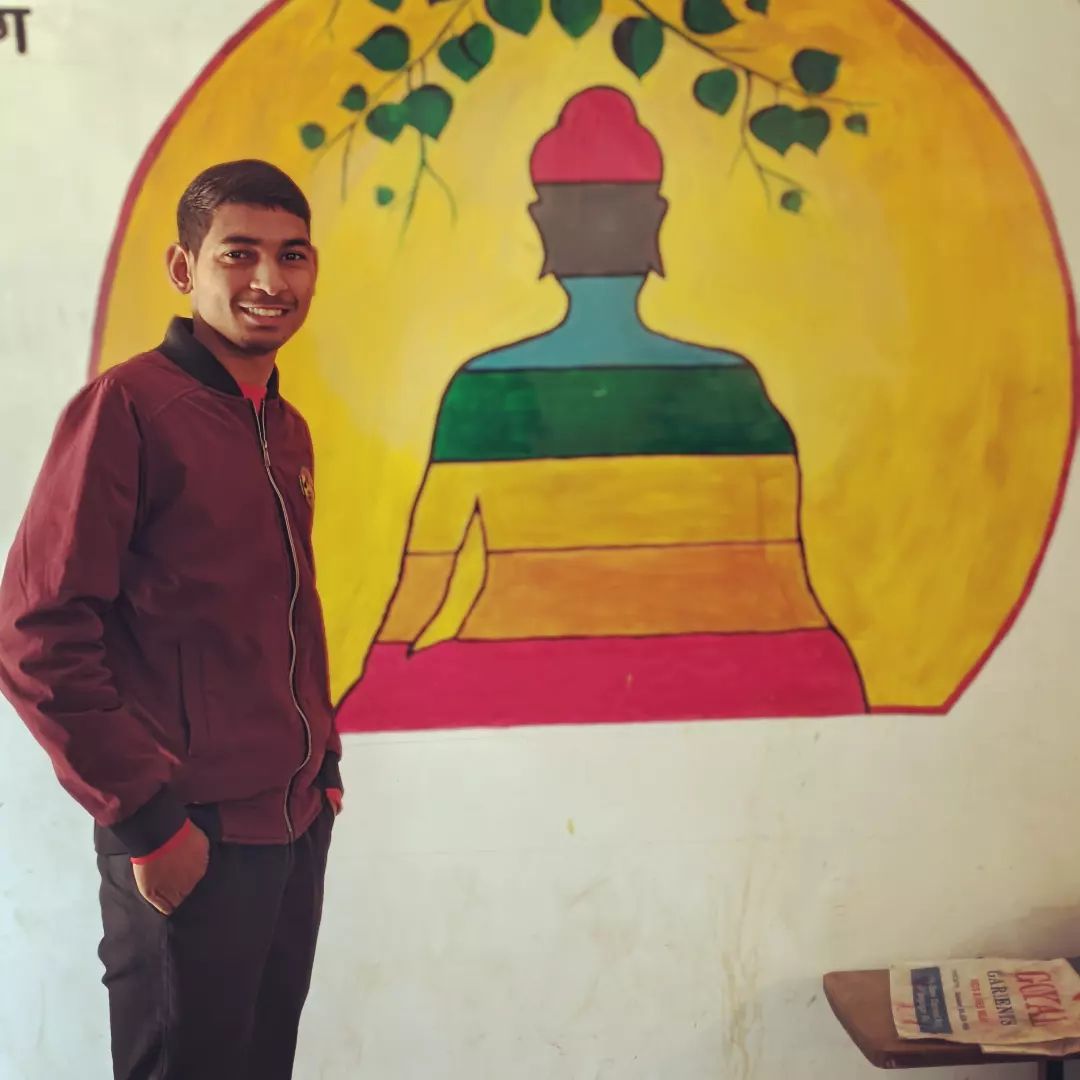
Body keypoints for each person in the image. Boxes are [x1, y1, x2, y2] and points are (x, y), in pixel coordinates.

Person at [339, 86, 866, 731]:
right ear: (655, 222)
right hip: (719, 670)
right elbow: (788, 584)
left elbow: (426, 578)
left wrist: (378, 679)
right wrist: (823, 670)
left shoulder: (484, 388)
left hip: (520, 671)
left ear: (543, 226)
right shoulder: (736, 385)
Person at [0, 159, 343, 1080]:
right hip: (186, 835)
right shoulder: (127, 410)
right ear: (185, 268)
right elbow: (35, 634)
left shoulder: (283, 426)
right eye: (240, 253)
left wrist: (325, 767)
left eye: (293, 255)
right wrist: (149, 822)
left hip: (290, 825)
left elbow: (288, 612)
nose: (270, 280)